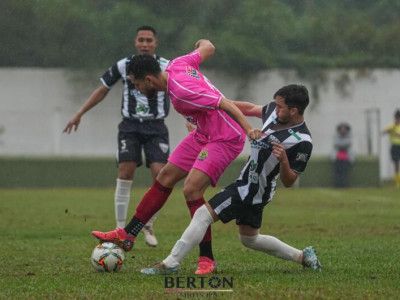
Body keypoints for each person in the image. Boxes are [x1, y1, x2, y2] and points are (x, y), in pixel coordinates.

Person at [92, 39, 262, 274]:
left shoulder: (180, 91)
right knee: (165, 176)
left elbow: (223, 103)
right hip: (204, 133)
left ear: (149, 80)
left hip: (224, 138)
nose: (138, 90)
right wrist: (200, 42)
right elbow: (209, 47)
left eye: (137, 84)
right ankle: (128, 234)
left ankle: (207, 258)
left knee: (191, 189)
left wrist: (248, 128)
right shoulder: (178, 63)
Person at [140, 84, 322, 275]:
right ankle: (303, 256)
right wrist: (208, 111)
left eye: (280, 107)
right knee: (249, 238)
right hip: (254, 189)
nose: (274, 110)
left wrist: (284, 160)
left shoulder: (302, 141)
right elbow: (246, 108)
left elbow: (290, 180)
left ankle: (170, 264)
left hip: (250, 190)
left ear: (294, 110)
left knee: (202, 215)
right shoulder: (273, 113)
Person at [63, 26, 170, 247]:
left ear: (155, 43)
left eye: (149, 40)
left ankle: (148, 224)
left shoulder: (167, 66)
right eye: (141, 39)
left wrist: (190, 117)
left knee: (161, 175)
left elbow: (179, 90)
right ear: (135, 42)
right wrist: (80, 113)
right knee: (125, 170)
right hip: (129, 126)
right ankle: (120, 229)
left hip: (156, 126)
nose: (144, 44)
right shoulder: (124, 65)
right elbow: (103, 89)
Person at [331, 123, 354, 188]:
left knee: (344, 173)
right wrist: (343, 144)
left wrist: (341, 144)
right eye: (342, 129)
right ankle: (337, 185)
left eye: (344, 129)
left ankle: (345, 185)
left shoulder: (349, 137)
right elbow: (336, 144)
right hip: (337, 158)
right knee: (337, 173)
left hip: (345, 158)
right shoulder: (336, 136)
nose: (343, 131)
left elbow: (348, 143)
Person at [382, 109, 400, 188]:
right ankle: (397, 182)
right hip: (395, 146)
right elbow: (383, 132)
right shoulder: (392, 125)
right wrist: (392, 127)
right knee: (396, 164)